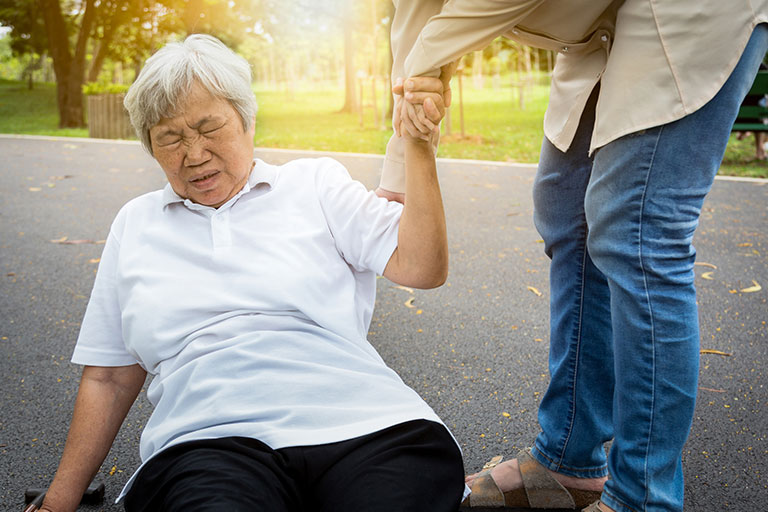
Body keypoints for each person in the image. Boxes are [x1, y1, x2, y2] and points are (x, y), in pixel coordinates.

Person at [38, 34, 466, 512]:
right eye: (170, 138)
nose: (194, 154)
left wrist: (419, 147)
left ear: (247, 119)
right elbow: (109, 379)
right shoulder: (135, 224)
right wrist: (58, 501)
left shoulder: (315, 184)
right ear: (150, 147)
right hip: (208, 442)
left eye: (209, 127)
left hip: (365, 424)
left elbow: (423, 266)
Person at [380, 1, 768, 511]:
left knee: (637, 228)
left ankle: (642, 496)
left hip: (687, 10)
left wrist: (430, 61)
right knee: (567, 209)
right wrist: (401, 152)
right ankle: (569, 459)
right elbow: (415, 9)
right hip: (600, 19)